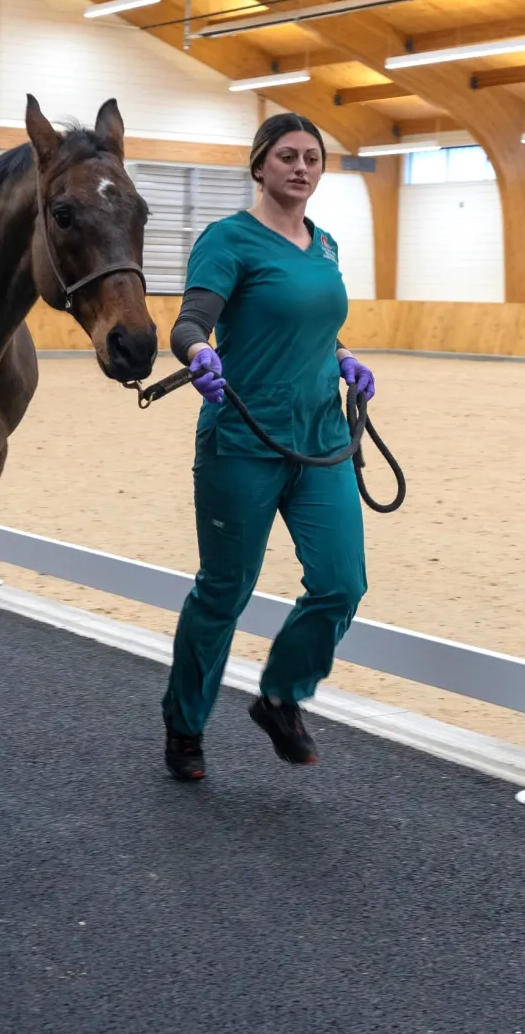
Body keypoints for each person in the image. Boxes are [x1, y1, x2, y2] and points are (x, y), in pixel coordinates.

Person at [161, 112, 377, 781]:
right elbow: (192, 319)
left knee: (342, 583)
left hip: (321, 440)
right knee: (225, 590)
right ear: (259, 166)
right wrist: (198, 351)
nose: (301, 167)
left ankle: (282, 694)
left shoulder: (327, 246)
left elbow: (309, 324)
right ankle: (185, 724)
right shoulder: (228, 240)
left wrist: (342, 356)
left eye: (312, 157)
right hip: (244, 438)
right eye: (286, 155)